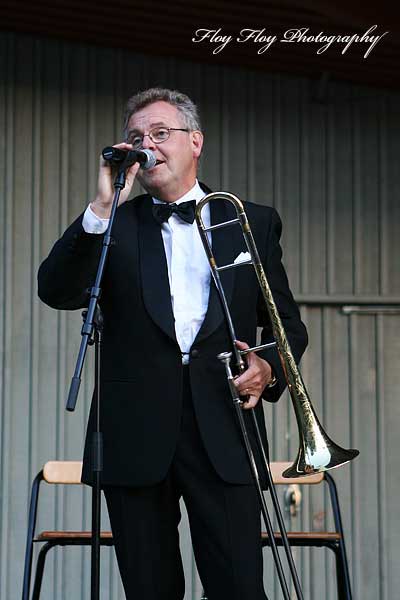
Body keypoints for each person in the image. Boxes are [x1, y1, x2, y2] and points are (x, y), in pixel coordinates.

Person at [38, 87, 308, 600]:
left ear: (196, 141)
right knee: (150, 590)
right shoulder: (112, 222)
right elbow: (55, 289)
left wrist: (268, 369)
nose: (148, 145)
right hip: (134, 435)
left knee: (239, 589)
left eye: (161, 133)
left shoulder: (251, 220)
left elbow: (287, 328)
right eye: (137, 137)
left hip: (225, 428)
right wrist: (100, 207)